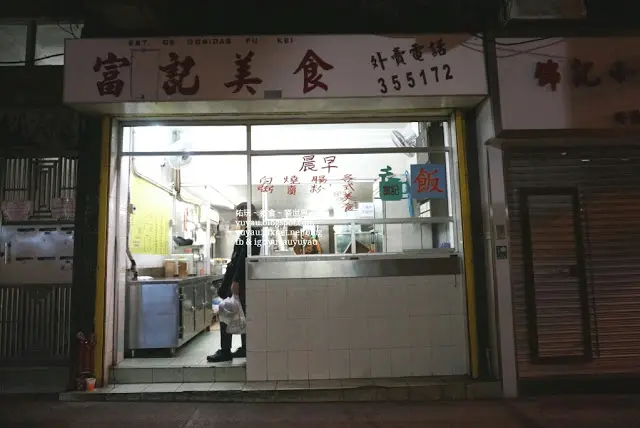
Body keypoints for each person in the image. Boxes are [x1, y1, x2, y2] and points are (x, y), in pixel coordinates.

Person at [207, 202, 262, 363]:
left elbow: (245, 259)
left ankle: (225, 351)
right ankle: (244, 348)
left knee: (226, 313)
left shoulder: (254, 232)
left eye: (240, 214)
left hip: (240, 281)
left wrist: (236, 281)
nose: (238, 218)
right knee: (242, 313)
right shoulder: (251, 230)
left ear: (248, 214)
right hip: (240, 280)